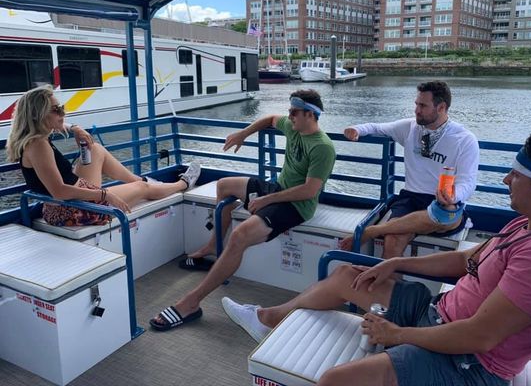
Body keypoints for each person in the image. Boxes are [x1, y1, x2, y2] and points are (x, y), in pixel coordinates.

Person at [222, 128, 531, 386]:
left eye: (516, 176)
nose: (505, 182)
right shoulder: (526, 225)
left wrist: (396, 334)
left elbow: (481, 336)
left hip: (468, 364)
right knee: (347, 276)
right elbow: (463, 264)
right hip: (441, 313)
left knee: (336, 381)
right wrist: (396, 263)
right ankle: (266, 319)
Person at [150, 89, 336, 331]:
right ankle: (213, 246)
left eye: (294, 112)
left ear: (311, 115)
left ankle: (191, 302)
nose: (289, 116)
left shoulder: (323, 147)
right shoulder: (293, 128)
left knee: (239, 236)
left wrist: (268, 201)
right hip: (278, 188)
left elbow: (309, 191)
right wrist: (243, 134)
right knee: (224, 185)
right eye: (289, 111)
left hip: (296, 205)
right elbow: (269, 119)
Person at [7, 85, 201, 226]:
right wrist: (105, 194)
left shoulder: (34, 138)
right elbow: (59, 192)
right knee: (142, 189)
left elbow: (62, 125)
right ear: (37, 114)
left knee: (95, 149)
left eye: (62, 108)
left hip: (69, 200)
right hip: (73, 209)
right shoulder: (39, 145)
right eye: (57, 110)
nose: (63, 113)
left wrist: (75, 129)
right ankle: (183, 183)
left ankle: (141, 180)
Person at [341, 80, 479, 258]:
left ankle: (373, 231)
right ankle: (390, 283)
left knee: (442, 215)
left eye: (423, 105)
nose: (416, 110)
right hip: (411, 198)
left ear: (441, 107)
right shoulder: (410, 127)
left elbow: (468, 182)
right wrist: (356, 129)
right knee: (393, 239)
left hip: (443, 202)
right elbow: (377, 127)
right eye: (416, 104)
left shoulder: (464, 139)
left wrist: (454, 195)